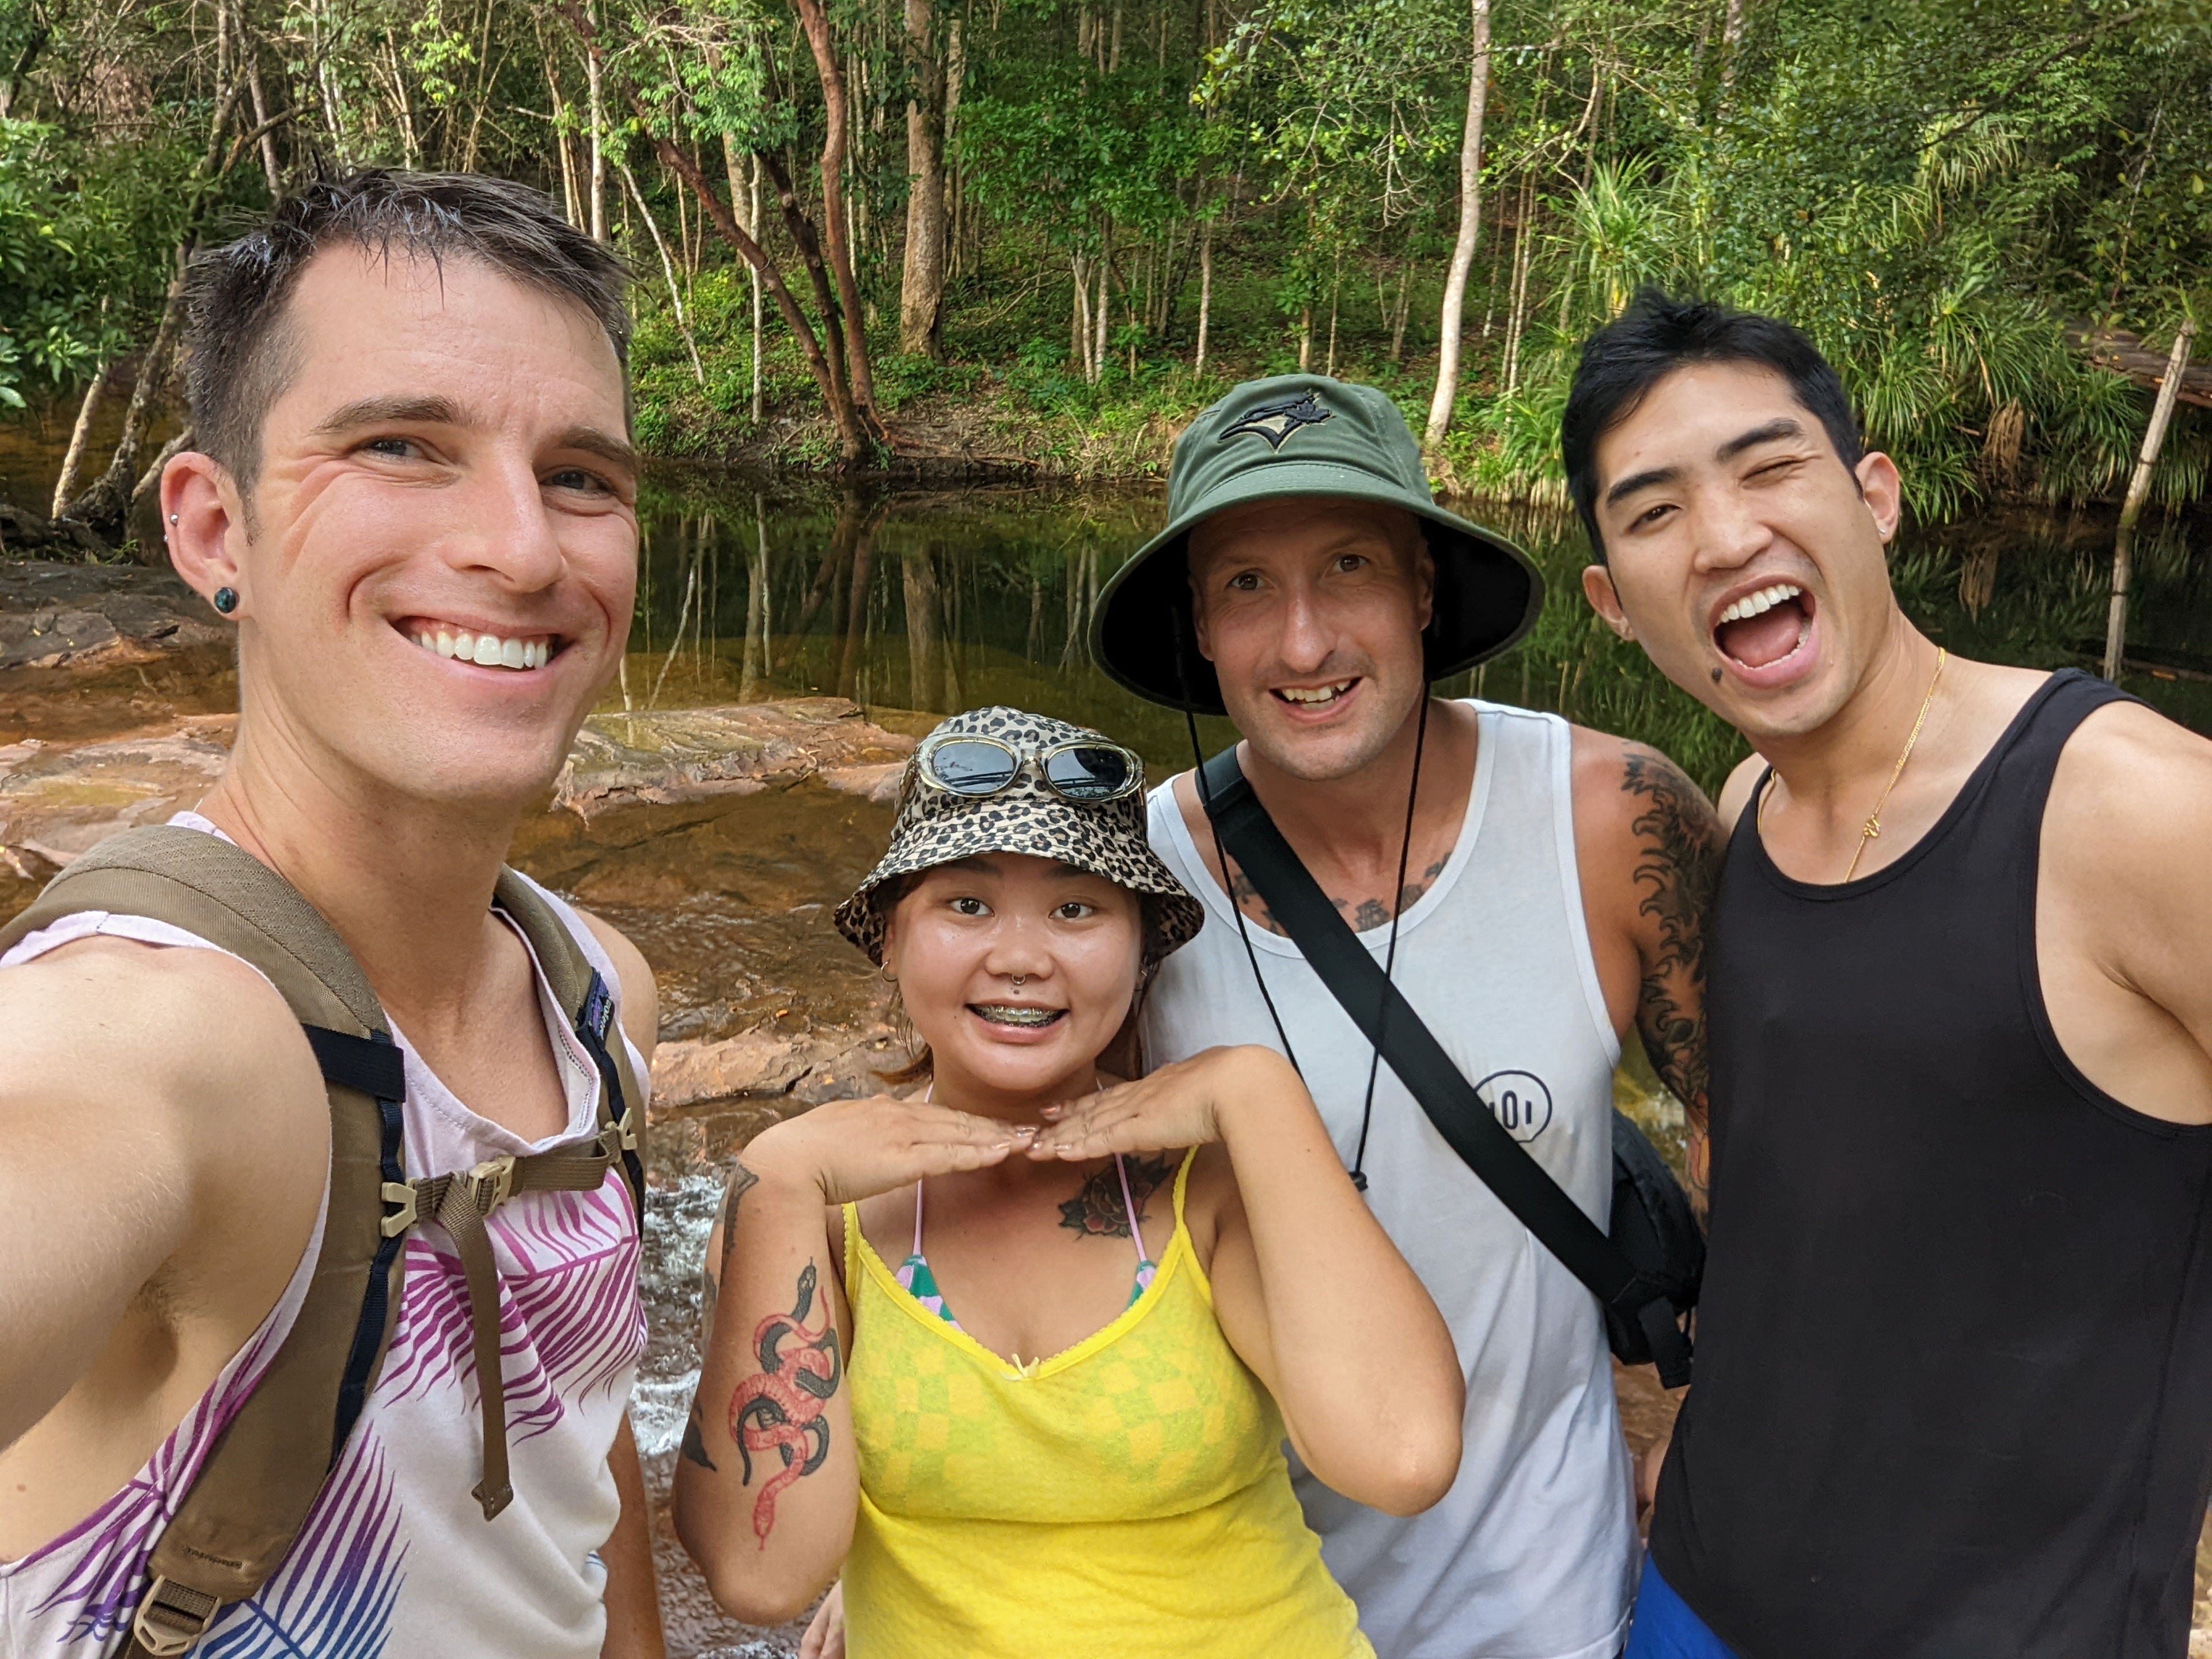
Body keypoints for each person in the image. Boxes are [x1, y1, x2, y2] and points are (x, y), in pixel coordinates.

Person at [0, 171, 665, 1656]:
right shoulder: (157, 1030)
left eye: (581, 476)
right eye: (400, 447)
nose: (524, 549)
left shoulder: (598, 998)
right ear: (211, 527)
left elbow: (578, 1436)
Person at [1567, 289, 2212, 1659]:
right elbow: (1766, 1191)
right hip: (1698, 1590)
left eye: (1768, 467)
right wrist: (1688, 1427)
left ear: (1877, 497)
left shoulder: (2131, 810)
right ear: (1614, 605)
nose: (1729, 535)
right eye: (1656, 508)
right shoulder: (1743, 809)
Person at [1088, 373, 1726, 1659]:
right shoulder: (1124, 886)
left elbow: (1764, 1161)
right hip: (1227, 1607)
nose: (1306, 642)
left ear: (1425, 590)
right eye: (1247, 587)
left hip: (1540, 1601)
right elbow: (1047, 1224)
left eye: (1350, 568)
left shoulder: (1611, 818)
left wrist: (1719, 1442)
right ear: (1200, 629)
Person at [673, 705, 1465, 1657]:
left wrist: (1259, 1094)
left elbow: (1405, 1457)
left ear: (1141, 954)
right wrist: (777, 1175)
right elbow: (762, 1576)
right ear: (891, 937)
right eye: (966, 904)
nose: (1020, 957)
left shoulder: (1206, 1187)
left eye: (1077, 908)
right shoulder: (810, 1206)